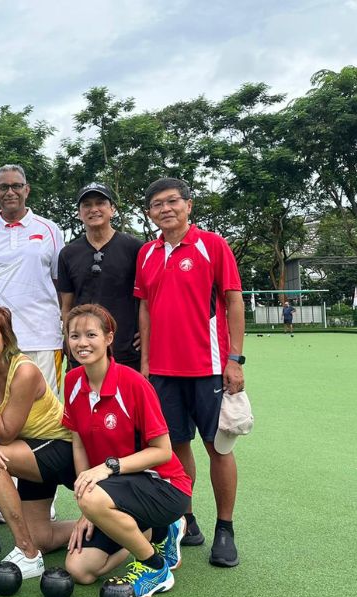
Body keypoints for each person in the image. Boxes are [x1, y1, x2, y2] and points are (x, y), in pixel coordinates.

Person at [135, 177, 244, 567]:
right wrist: (146, 363)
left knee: (219, 448)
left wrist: (235, 359)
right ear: (149, 213)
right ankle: (187, 520)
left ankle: (225, 529)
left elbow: (233, 301)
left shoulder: (212, 245)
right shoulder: (147, 253)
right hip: (163, 372)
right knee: (176, 448)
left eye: (172, 201)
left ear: (188, 205)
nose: (165, 209)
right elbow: (145, 309)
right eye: (157, 205)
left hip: (210, 368)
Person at [62, 304, 192, 597]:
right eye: (74, 335)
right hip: (119, 492)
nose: (82, 343)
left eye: (91, 334)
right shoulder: (71, 382)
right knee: (79, 569)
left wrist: (106, 470)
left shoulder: (133, 383)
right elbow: (79, 442)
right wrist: (88, 509)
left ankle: (154, 566)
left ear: (109, 338)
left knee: (91, 495)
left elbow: (162, 452)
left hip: (165, 487)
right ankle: (153, 533)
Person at [0, 304, 76, 583]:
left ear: (6, 337)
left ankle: (26, 553)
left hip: (60, 447)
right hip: (29, 451)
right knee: (43, 537)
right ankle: (97, 527)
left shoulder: (24, 371)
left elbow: (5, 433)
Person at [0, 164, 66, 394]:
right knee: (1, 407)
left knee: (44, 408)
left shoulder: (49, 229)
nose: (10, 192)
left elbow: (61, 282)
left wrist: (64, 325)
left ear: (27, 190)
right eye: (3, 187)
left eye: (16, 186)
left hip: (42, 336)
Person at [57, 183, 144, 370]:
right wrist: (68, 339)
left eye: (100, 203)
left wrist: (146, 333)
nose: (94, 209)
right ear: (79, 213)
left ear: (112, 209)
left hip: (127, 350)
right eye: (87, 205)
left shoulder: (135, 248)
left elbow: (147, 299)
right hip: (84, 351)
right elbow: (66, 305)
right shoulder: (68, 253)